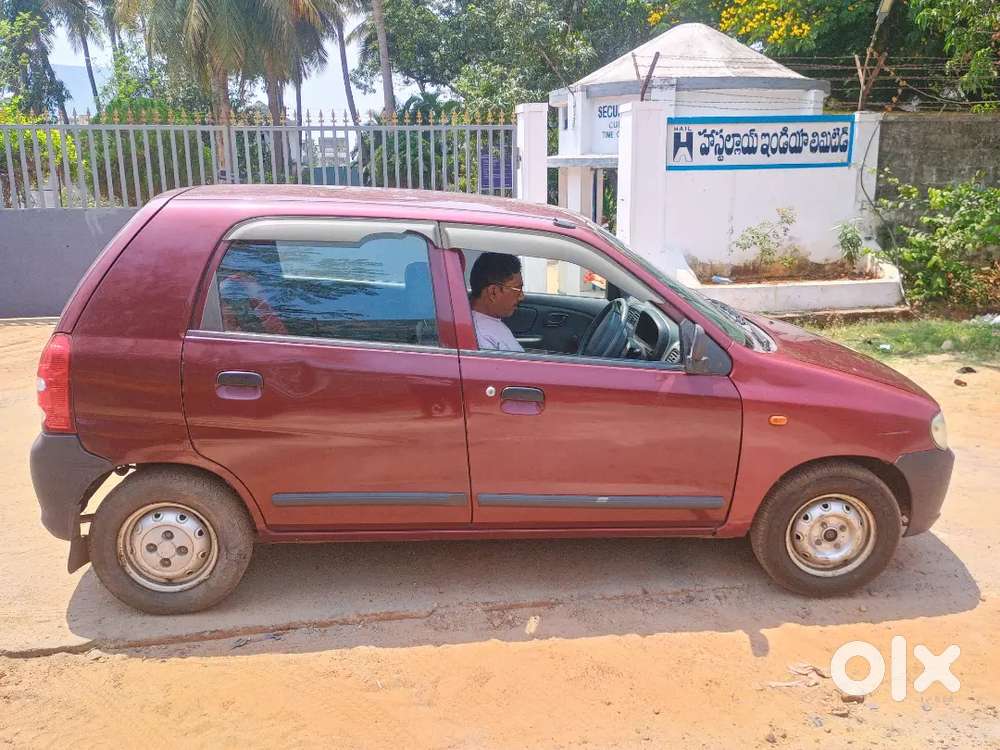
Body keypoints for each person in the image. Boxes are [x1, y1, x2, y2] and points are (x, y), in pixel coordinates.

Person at [469, 252, 525, 352]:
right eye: (517, 289)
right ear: (493, 292)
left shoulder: (489, 323)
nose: (522, 297)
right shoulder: (482, 338)